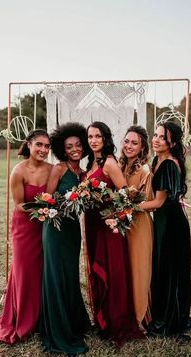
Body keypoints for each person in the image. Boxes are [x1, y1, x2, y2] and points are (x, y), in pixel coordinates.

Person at [0, 129, 52, 344]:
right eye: (39, 145)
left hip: (45, 227)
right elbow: (19, 204)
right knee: (25, 271)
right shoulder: (19, 171)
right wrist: (41, 207)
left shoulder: (53, 170)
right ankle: (23, 319)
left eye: (47, 146)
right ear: (29, 145)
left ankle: (42, 317)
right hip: (25, 227)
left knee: (42, 270)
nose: (43, 150)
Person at [84, 121, 144, 346]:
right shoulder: (92, 163)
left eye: (97, 136)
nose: (93, 140)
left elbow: (126, 195)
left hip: (108, 226)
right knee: (98, 269)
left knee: (112, 271)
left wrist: (115, 217)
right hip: (92, 224)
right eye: (90, 136)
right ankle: (102, 319)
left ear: (106, 138)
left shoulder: (109, 163)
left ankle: (116, 321)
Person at [139, 122, 191, 341]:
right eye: (155, 135)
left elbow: (158, 203)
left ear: (172, 142)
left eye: (162, 137)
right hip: (163, 222)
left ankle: (171, 319)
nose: (156, 139)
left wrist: (128, 206)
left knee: (171, 271)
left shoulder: (169, 165)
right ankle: (163, 311)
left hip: (172, 226)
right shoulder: (157, 160)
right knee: (162, 268)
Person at [38, 122, 91, 355]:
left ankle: (73, 321)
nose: (75, 149)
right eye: (69, 146)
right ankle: (58, 330)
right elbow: (47, 199)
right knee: (56, 276)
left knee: (70, 275)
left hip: (72, 231)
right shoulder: (59, 169)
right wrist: (61, 203)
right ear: (63, 149)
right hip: (55, 229)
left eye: (78, 145)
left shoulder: (84, 173)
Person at [119, 125, 153, 331]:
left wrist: (129, 206)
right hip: (122, 223)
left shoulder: (144, 170)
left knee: (139, 269)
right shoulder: (120, 166)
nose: (129, 146)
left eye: (135, 143)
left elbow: (148, 200)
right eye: (127, 141)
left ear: (142, 148)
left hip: (139, 225)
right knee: (125, 269)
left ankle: (140, 317)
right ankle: (126, 311)